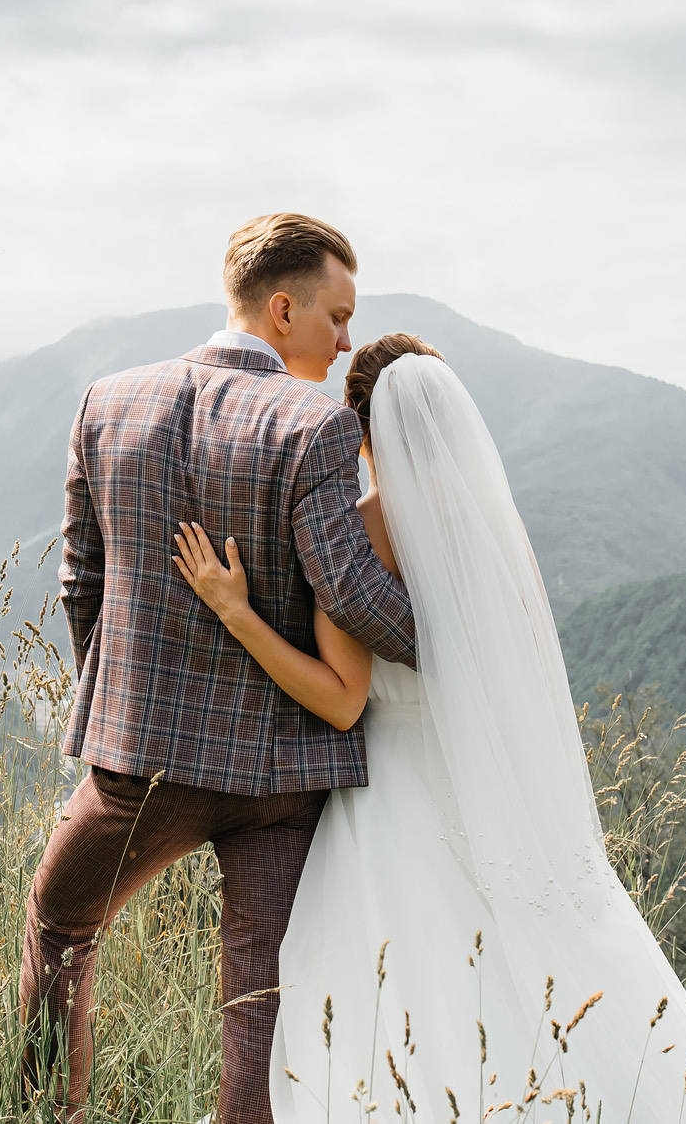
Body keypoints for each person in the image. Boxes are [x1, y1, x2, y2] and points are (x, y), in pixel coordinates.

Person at [172, 335, 686, 1123]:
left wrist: (237, 613)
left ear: (361, 428)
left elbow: (343, 702)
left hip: (392, 795)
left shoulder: (361, 528)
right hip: (490, 784)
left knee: (401, 980)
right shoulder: (495, 527)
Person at [21, 213, 417, 1124]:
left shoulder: (108, 401)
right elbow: (353, 596)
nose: (344, 341)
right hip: (280, 780)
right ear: (282, 309)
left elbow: (82, 582)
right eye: (337, 316)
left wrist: (123, 713)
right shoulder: (315, 427)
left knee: (60, 926)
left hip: (140, 762)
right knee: (258, 1000)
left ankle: (49, 1117)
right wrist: (457, 640)